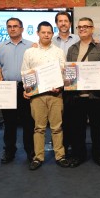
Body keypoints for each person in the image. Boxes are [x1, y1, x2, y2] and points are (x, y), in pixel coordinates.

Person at [21, 21, 69, 170]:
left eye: (49, 32)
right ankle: (38, 157)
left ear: (52, 34)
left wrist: (59, 86)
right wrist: (27, 89)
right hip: (37, 97)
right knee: (39, 128)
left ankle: (60, 156)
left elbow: (64, 73)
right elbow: (25, 72)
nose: (46, 35)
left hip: (56, 95)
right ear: (38, 33)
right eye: (43, 32)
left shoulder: (59, 52)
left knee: (57, 127)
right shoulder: (30, 52)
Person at [64, 17, 100, 167]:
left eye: (85, 26)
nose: (82, 29)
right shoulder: (72, 49)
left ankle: (98, 155)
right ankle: (79, 155)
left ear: (92, 29)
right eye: (79, 27)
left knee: (97, 128)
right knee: (78, 128)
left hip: (95, 95)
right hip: (76, 96)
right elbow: (69, 70)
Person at [0, 17, 35, 163]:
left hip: (26, 89)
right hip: (7, 89)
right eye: (9, 26)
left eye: (16, 26)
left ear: (22, 29)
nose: (12, 29)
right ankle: (9, 150)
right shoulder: (0, 47)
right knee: (9, 122)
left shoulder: (32, 46)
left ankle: (30, 150)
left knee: (28, 122)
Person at [52, 11, 78, 156]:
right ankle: (60, 147)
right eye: (60, 21)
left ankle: (72, 147)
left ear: (70, 23)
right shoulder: (51, 41)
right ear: (57, 24)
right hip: (55, 84)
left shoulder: (78, 39)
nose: (63, 23)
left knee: (71, 118)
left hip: (72, 84)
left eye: (65, 21)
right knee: (57, 119)